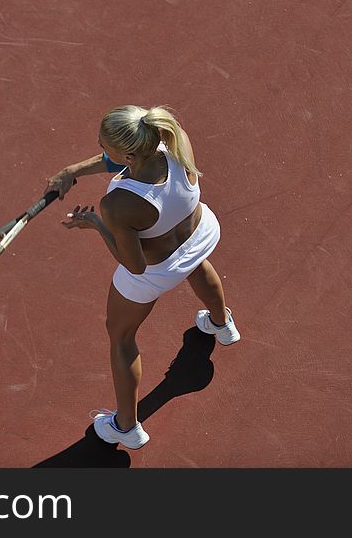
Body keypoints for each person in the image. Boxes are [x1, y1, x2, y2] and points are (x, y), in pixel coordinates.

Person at [44, 104, 240, 449]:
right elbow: (123, 161)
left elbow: (134, 265)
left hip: (157, 270)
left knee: (121, 337)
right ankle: (222, 326)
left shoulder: (119, 204)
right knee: (196, 263)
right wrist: (72, 170)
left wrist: (95, 224)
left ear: (129, 153)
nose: (101, 150)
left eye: (104, 146)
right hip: (199, 235)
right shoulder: (175, 142)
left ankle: (126, 427)